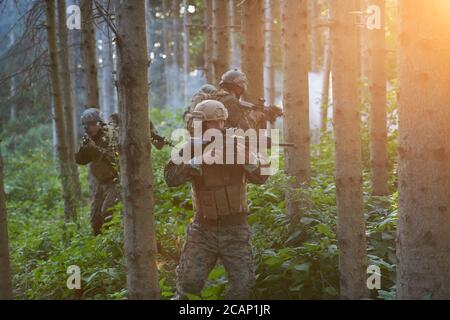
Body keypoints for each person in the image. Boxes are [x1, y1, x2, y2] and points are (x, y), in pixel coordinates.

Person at [165, 100, 269, 300]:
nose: (218, 127)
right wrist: (198, 160)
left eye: (221, 122)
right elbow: (171, 178)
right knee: (188, 284)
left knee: (243, 286)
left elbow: (262, 177)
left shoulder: (238, 142)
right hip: (203, 229)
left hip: (235, 229)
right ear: (201, 125)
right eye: (213, 123)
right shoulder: (191, 148)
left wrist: (249, 160)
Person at [75, 108, 120, 235]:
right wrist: (84, 149)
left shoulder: (111, 136)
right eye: (85, 125)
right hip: (100, 183)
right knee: (95, 219)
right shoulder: (90, 139)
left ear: (99, 123)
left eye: (91, 124)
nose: (87, 127)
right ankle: (100, 247)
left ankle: (113, 241)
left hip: (115, 180)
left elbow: (113, 159)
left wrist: (95, 149)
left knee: (107, 213)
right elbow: (81, 160)